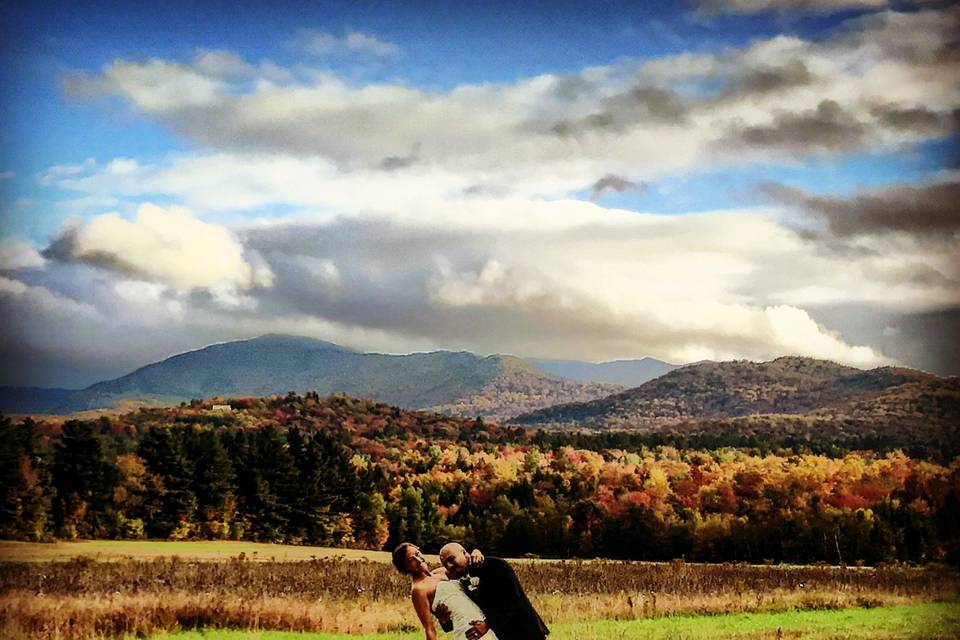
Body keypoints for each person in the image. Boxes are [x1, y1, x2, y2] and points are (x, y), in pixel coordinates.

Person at [438, 542, 549, 640]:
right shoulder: (462, 583)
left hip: (525, 631)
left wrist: (487, 624)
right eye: (445, 564)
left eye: (451, 559)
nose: (449, 565)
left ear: (464, 553)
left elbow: (513, 600)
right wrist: (445, 622)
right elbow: (466, 614)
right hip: (501, 636)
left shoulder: (495, 565)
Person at [392, 542, 498, 640]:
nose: (419, 560)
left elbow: (465, 565)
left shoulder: (441, 572)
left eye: (417, 553)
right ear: (405, 567)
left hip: (483, 623)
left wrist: (476, 552)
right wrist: (442, 621)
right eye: (411, 560)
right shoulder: (418, 589)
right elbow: (429, 629)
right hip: (467, 629)